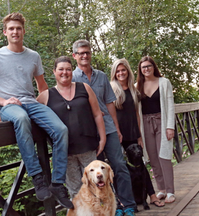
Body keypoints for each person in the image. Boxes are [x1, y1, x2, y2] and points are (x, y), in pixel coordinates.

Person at [0, 12, 73, 209]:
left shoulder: (33, 56)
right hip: (10, 106)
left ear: (24, 31)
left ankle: (57, 184)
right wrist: (3, 103)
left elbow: (43, 87)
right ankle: (37, 178)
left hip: (31, 103)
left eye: (18, 28)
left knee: (61, 130)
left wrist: (38, 109)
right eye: (11, 28)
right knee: (21, 119)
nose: (15, 32)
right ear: (5, 32)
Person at [71, 39, 137, 216]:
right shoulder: (72, 78)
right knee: (97, 174)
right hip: (89, 133)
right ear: (74, 56)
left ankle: (128, 205)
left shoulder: (101, 76)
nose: (85, 56)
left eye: (87, 52)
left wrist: (117, 128)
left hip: (108, 128)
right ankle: (109, 209)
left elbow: (109, 103)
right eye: (81, 53)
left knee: (119, 166)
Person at [37, 56, 106, 198]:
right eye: (61, 69)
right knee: (76, 192)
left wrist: (103, 138)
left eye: (68, 69)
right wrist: (4, 112)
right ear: (54, 72)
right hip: (65, 153)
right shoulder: (46, 96)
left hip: (88, 148)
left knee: (99, 188)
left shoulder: (84, 88)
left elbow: (97, 114)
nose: (65, 72)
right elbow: (30, 111)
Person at [110, 58, 165, 207]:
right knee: (120, 167)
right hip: (118, 134)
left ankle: (152, 196)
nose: (121, 73)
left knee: (140, 165)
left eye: (123, 70)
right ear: (114, 73)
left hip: (132, 133)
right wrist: (117, 131)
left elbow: (136, 114)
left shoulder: (133, 90)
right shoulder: (111, 89)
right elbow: (111, 114)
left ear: (128, 71)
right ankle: (125, 201)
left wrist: (139, 135)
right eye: (118, 71)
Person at [136, 56, 175, 204]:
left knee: (164, 155)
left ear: (153, 67)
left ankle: (170, 191)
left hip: (162, 121)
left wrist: (170, 126)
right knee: (152, 157)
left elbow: (170, 105)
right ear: (140, 70)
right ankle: (162, 189)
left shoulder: (164, 83)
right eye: (143, 67)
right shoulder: (137, 85)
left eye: (148, 66)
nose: (146, 69)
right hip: (145, 123)